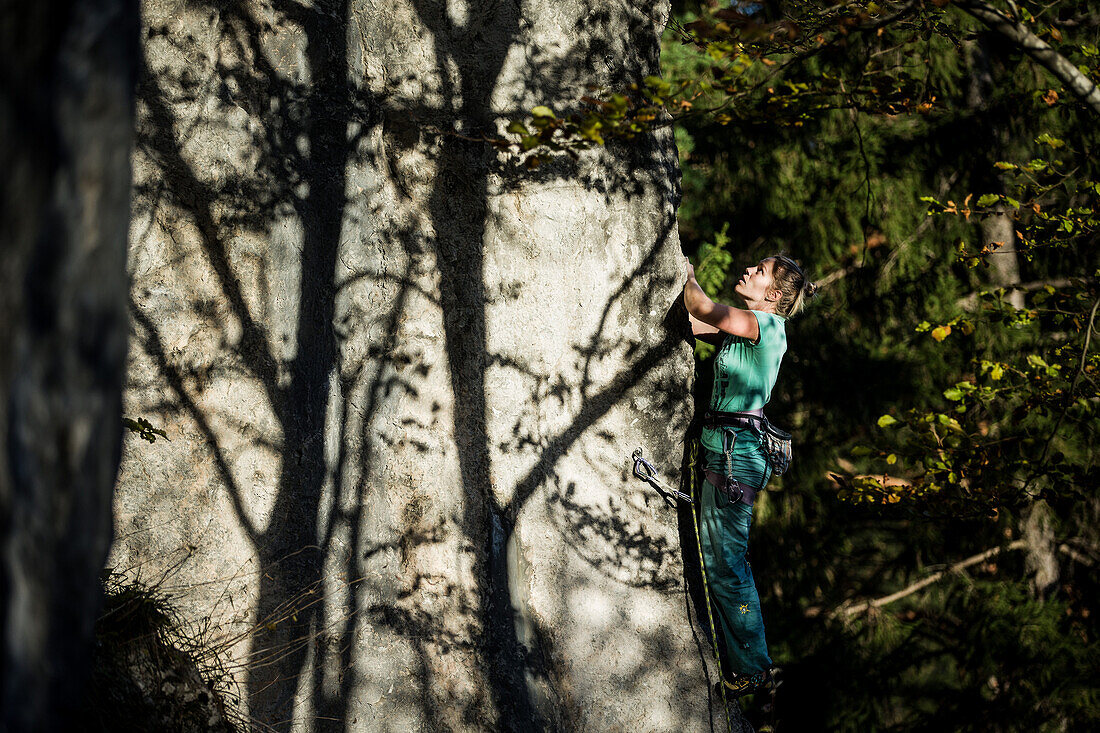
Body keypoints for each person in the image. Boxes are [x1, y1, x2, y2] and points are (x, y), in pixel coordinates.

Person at [682, 253, 816, 698]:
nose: (748, 271)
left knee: (725, 566)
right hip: (728, 450)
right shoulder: (745, 327)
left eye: (759, 272)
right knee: (723, 562)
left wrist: (684, 270)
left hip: (735, 456)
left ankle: (756, 672)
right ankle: (750, 667)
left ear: (773, 295)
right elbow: (696, 323)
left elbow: (700, 307)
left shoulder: (768, 327)